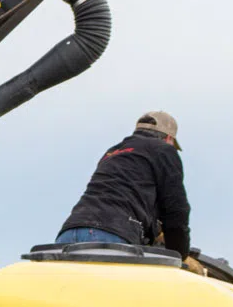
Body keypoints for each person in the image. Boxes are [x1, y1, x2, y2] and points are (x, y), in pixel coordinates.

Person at [57, 111, 195, 268]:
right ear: (169, 138)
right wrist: (179, 254)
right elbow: (176, 208)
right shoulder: (163, 149)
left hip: (69, 233)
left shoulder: (113, 151)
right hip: (109, 236)